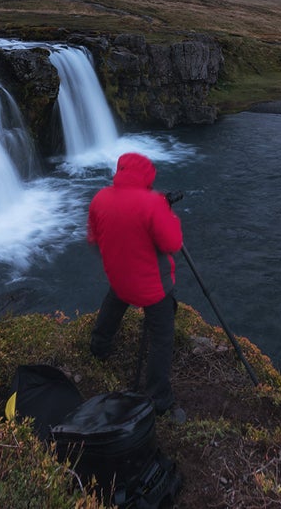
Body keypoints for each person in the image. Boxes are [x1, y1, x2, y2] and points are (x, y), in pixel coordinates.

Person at [87, 152, 183, 415]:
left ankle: (98, 347)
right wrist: (168, 214)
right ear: (147, 175)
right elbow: (173, 243)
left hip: (119, 278)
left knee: (114, 301)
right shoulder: (152, 204)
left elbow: (94, 237)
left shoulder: (100, 198)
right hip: (152, 288)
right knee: (162, 337)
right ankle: (159, 398)